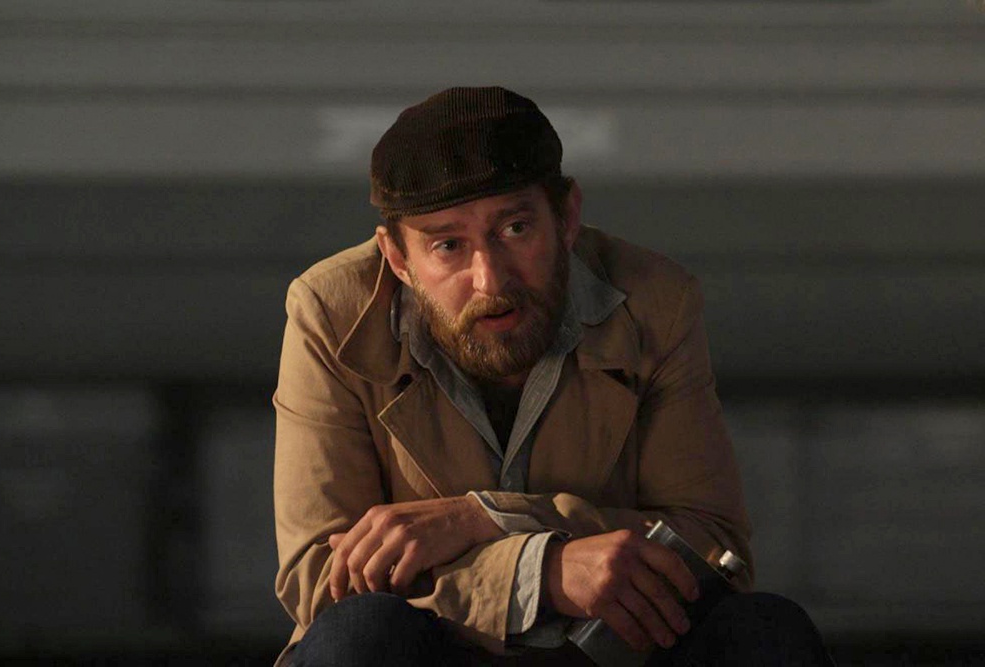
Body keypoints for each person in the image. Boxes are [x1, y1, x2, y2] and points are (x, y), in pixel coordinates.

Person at [272, 86, 831, 666]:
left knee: (765, 632)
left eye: (516, 229)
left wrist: (484, 519)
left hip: (612, 648)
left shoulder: (656, 301)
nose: (490, 280)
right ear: (397, 259)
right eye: (448, 245)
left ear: (566, 218)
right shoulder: (331, 310)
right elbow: (321, 577)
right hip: (433, 646)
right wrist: (541, 571)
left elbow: (712, 548)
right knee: (358, 636)